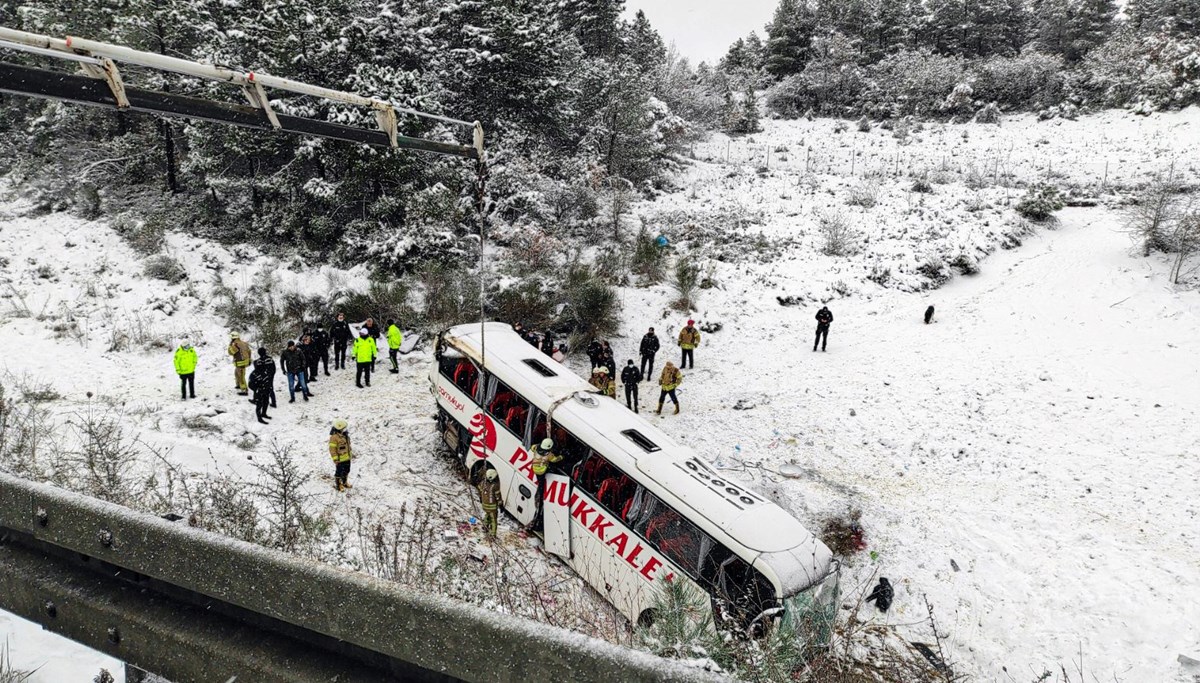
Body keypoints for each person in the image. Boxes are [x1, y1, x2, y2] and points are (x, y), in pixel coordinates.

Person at [529, 438, 561, 528]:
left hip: (535, 469)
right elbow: (555, 460)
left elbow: (532, 447)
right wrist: (561, 457)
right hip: (542, 472)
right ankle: (540, 491)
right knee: (542, 485)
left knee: (540, 482)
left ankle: (540, 487)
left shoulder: (536, 448)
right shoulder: (549, 455)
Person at [328, 418, 353, 492]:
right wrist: (335, 459)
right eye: (344, 428)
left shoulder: (345, 435)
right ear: (339, 428)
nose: (345, 429)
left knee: (347, 470)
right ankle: (338, 485)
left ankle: (345, 482)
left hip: (347, 458)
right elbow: (332, 449)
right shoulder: (334, 438)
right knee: (339, 472)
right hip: (340, 460)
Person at [477, 468, 502, 537]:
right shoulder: (495, 486)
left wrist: (481, 498)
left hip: (484, 505)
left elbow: (479, 490)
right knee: (493, 519)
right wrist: (500, 504)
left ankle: (485, 526)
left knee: (487, 514)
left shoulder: (482, 483)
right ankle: (493, 534)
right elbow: (498, 496)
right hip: (492, 506)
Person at [248, 355, 272, 424]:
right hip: (259, 392)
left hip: (266, 390)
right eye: (259, 365)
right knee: (259, 405)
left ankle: (264, 414)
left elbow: (268, 380)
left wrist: (269, 387)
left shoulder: (266, 371)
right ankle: (259, 418)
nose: (261, 366)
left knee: (266, 402)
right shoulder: (253, 374)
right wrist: (257, 389)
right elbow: (250, 384)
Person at [227, 332, 252, 396]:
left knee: (241, 376)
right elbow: (249, 351)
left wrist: (230, 346)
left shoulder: (235, 345)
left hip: (240, 363)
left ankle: (244, 390)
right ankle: (238, 385)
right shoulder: (244, 343)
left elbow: (230, 352)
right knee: (236, 373)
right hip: (245, 361)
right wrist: (249, 360)